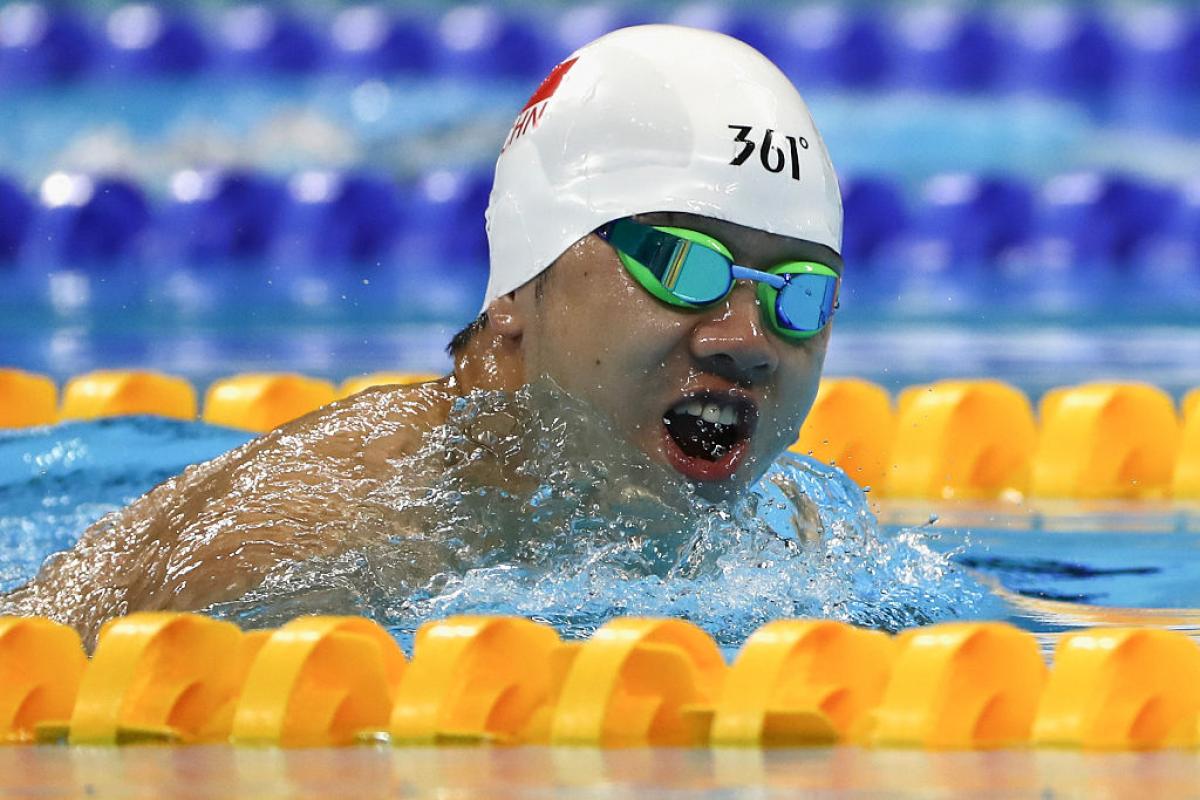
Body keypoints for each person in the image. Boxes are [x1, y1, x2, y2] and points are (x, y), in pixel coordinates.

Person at [7, 24, 843, 643]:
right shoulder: (317, 543)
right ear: (520, 282)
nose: (749, 340)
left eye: (800, 294)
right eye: (680, 261)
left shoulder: (791, 536)